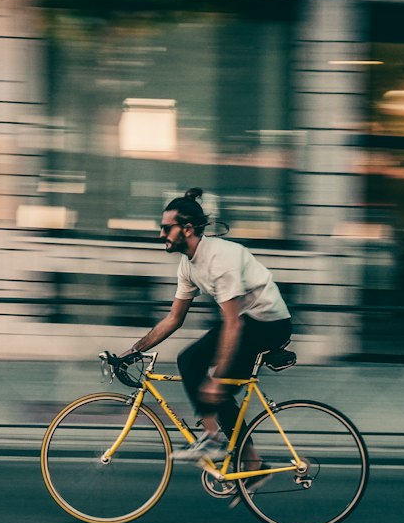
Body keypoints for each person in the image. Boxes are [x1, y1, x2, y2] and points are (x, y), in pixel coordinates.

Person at [121, 188, 292, 465]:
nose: (161, 235)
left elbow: (233, 323)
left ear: (187, 229)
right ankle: (251, 462)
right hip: (246, 322)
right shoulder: (188, 265)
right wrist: (132, 351)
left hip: (269, 324)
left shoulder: (219, 260)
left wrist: (218, 378)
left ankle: (213, 441)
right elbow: (174, 319)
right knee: (189, 360)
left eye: (166, 228)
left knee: (216, 388)